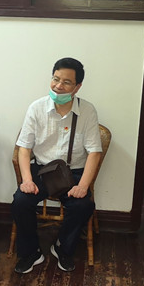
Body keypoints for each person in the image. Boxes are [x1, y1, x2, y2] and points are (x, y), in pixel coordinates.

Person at [11, 57, 102, 274]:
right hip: (43, 170)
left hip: (73, 172)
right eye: (55, 79)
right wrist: (27, 180)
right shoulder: (37, 108)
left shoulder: (87, 111)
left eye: (66, 82)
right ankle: (31, 252)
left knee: (83, 206)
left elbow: (94, 152)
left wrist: (83, 186)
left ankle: (62, 247)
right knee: (20, 202)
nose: (58, 86)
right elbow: (24, 148)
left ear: (77, 87)